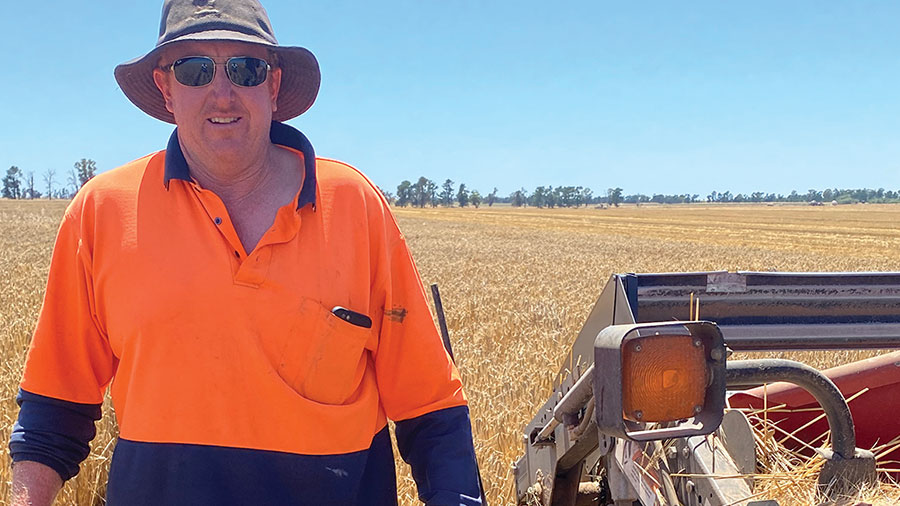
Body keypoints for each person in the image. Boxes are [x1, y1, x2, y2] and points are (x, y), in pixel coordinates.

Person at [8, 0, 482, 504]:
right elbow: (52, 412)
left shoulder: (355, 205)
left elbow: (430, 408)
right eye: (193, 69)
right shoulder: (101, 212)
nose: (222, 92)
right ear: (166, 89)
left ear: (273, 86)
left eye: (246, 67)